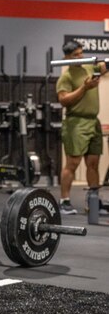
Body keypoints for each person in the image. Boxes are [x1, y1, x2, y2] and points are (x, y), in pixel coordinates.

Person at [56, 40, 106, 214]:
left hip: (93, 122)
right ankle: (64, 202)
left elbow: (105, 67)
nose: (80, 57)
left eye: (80, 53)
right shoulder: (66, 77)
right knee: (73, 163)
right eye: (75, 55)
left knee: (93, 162)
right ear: (66, 57)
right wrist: (84, 88)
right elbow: (63, 100)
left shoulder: (90, 67)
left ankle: (92, 202)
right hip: (75, 123)